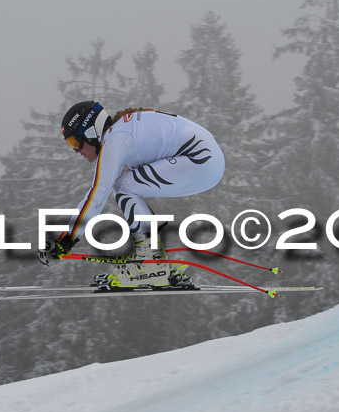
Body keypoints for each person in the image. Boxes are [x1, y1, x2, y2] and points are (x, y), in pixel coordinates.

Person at [38, 101, 225, 290]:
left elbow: (96, 195)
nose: (76, 151)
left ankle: (151, 263)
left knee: (124, 185)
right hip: (207, 160)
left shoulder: (114, 139)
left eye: (74, 142)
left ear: (90, 132)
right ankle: (153, 261)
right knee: (124, 183)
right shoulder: (120, 133)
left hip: (199, 159)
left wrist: (66, 239)